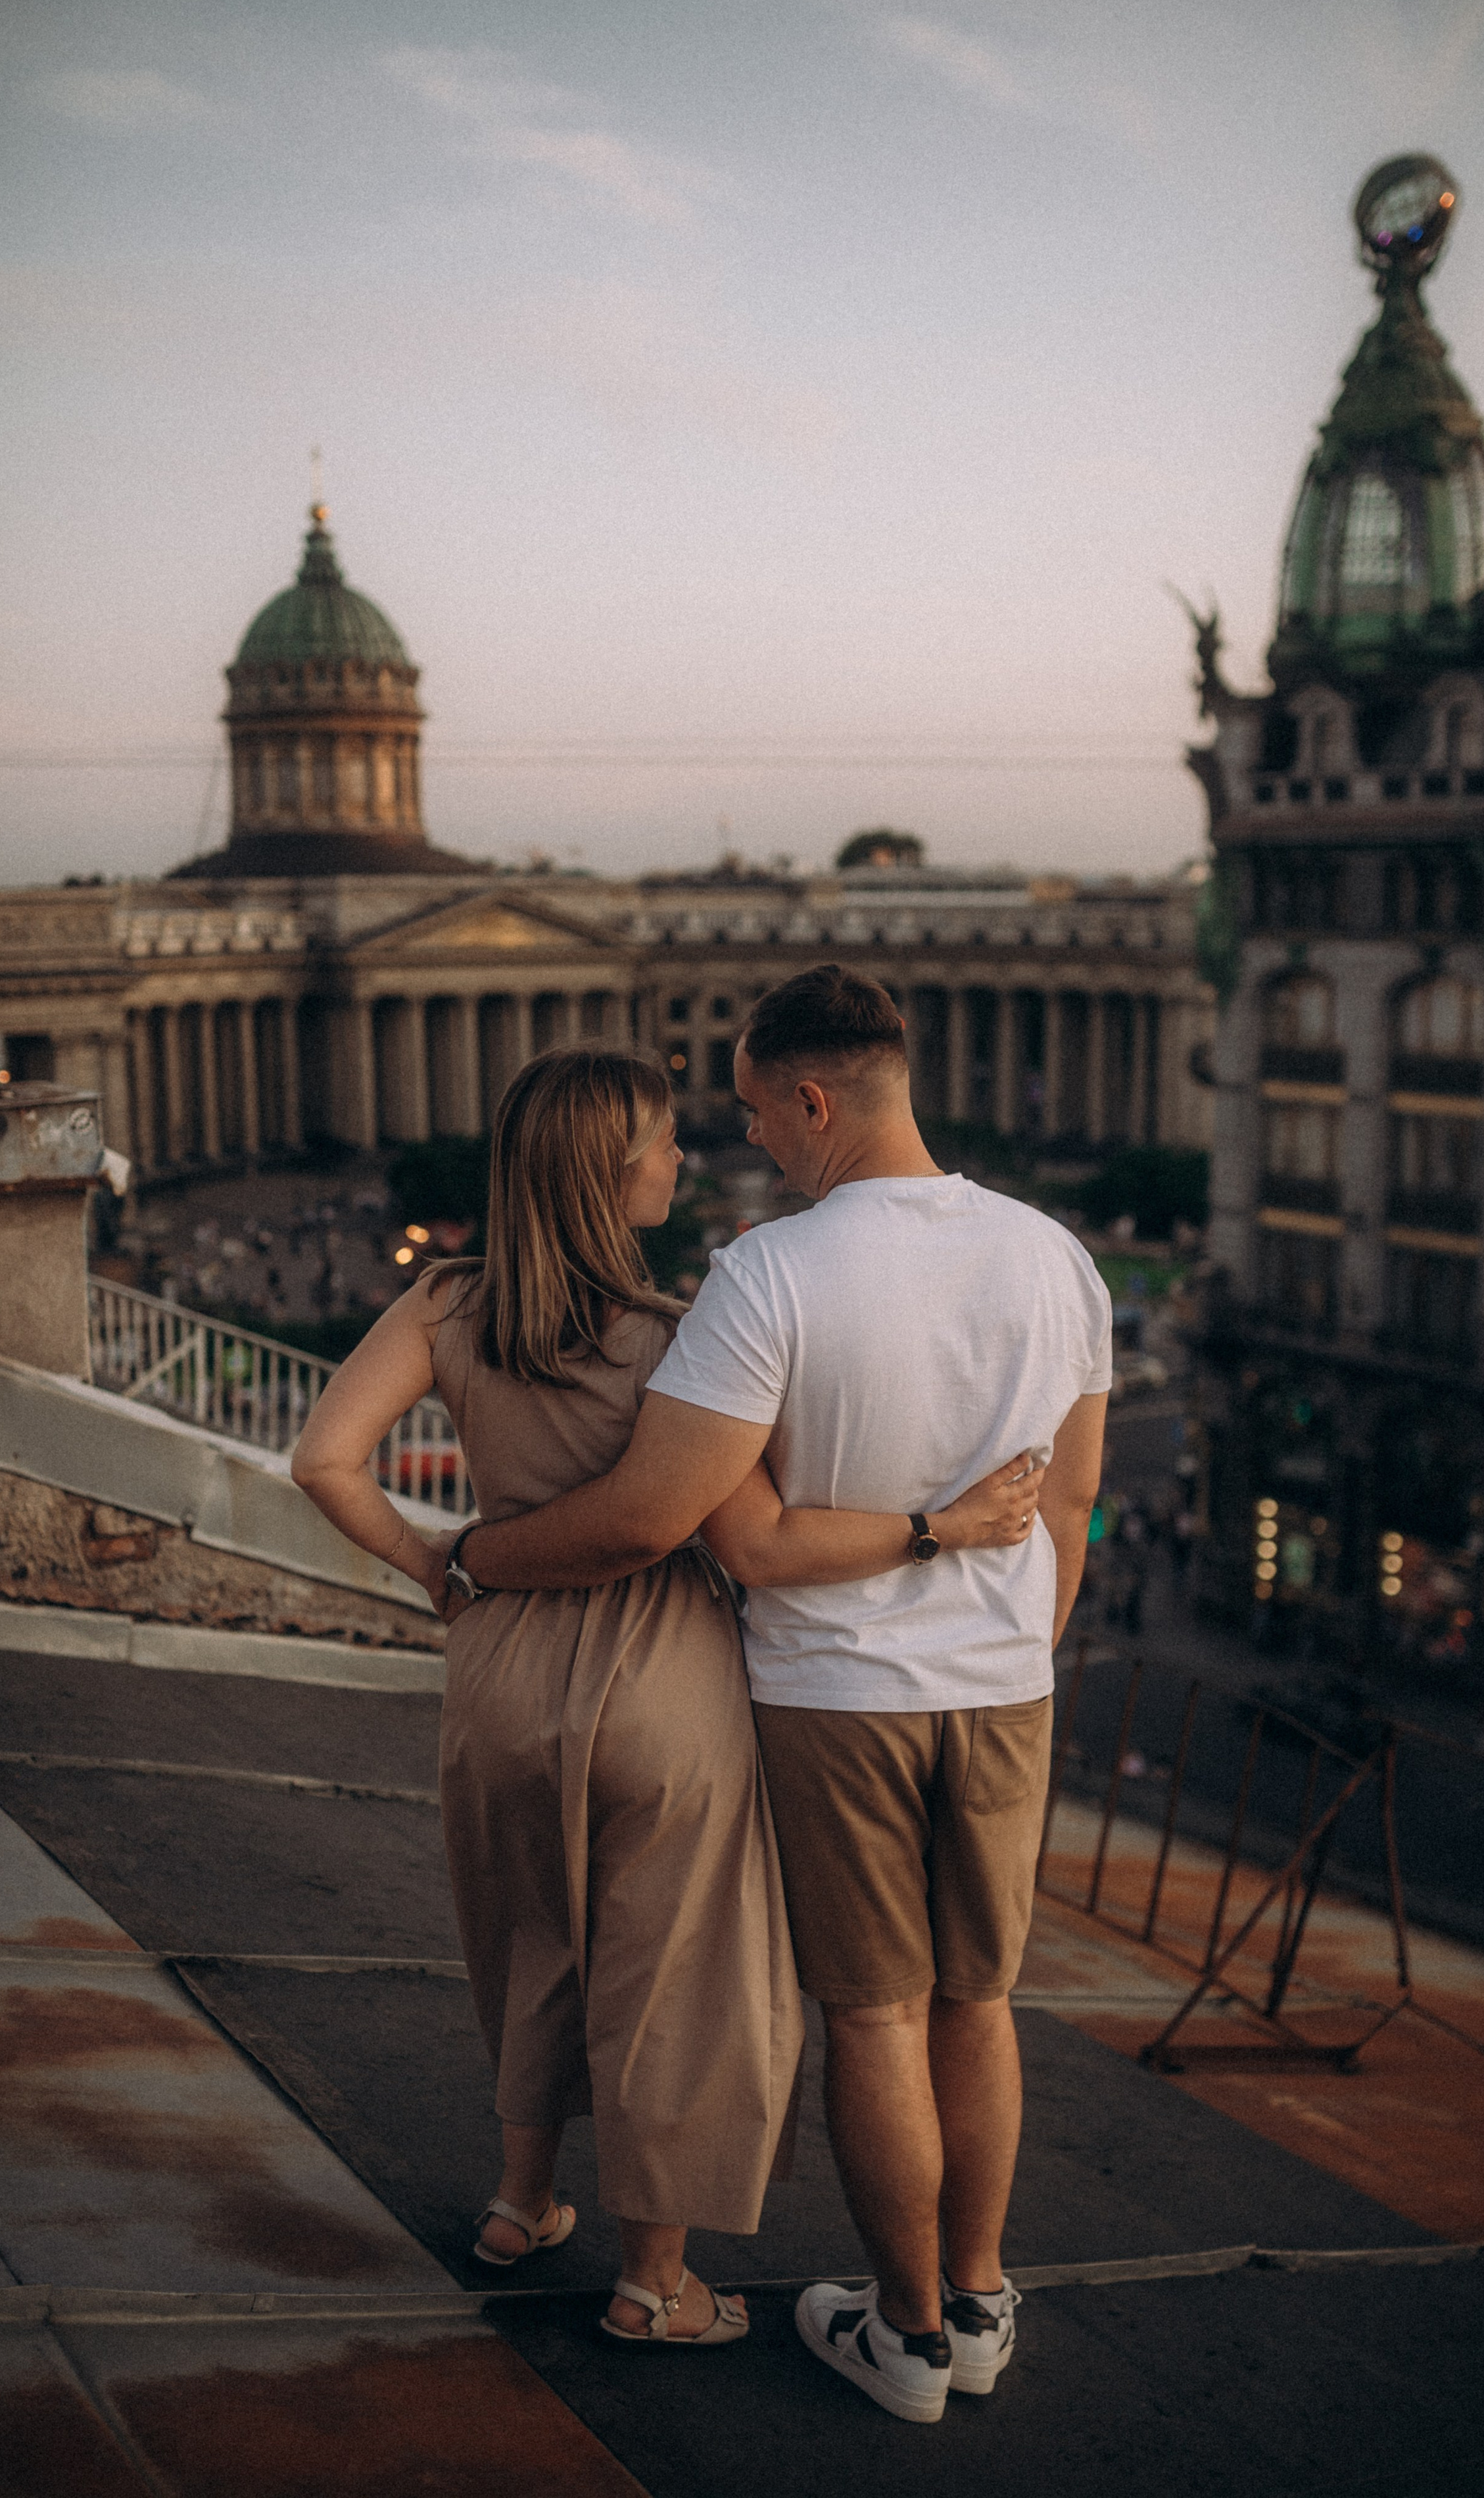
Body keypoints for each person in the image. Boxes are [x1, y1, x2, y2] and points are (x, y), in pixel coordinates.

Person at [433, 969, 1111, 2424]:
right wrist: (1018, 1647)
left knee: (872, 2019)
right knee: (978, 2005)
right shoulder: (1053, 1256)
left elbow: (669, 1528)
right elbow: (1074, 1502)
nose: (745, 1143)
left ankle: (909, 2338)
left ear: (811, 1099)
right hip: (1003, 1691)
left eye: (749, 1111)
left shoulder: (768, 1276)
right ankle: (982, 2298)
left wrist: (474, 1556)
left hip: (832, 1697)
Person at [291, 1045, 1041, 2351]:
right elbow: (743, 1533)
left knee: (528, 1934)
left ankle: (522, 2203)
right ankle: (656, 2283)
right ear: (606, 1171)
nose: (681, 1157)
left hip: (501, 1664)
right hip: (661, 1676)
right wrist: (945, 1524)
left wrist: (434, 1561)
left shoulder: (441, 1306)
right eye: (657, 1144)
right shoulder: (680, 1334)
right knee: (674, 1977)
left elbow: (321, 1459)